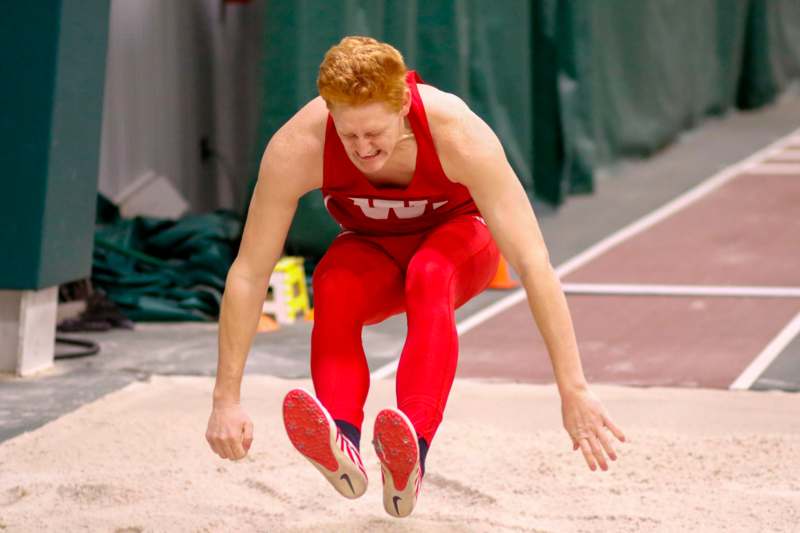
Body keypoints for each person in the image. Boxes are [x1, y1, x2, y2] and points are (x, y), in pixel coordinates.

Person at [205, 36, 626, 518]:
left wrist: (573, 389)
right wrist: (226, 399)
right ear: (329, 112)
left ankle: (412, 448)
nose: (363, 150)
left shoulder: (458, 133)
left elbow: (534, 265)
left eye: (375, 134)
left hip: (460, 244)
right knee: (333, 282)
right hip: (373, 249)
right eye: (349, 136)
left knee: (429, 273)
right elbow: (249, 272)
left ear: (404, 102)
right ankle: (341, 439)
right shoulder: (298, 145)